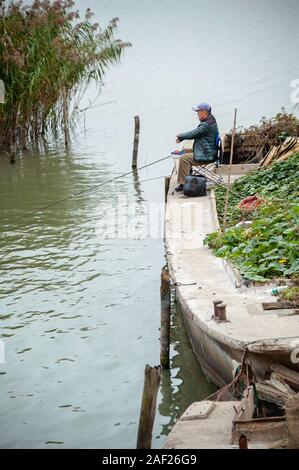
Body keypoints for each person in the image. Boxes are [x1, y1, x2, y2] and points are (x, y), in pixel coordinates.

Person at [175, 102, 219, 191]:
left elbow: (194, 133)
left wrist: (181, 136)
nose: (197, 114)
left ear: (203, 112)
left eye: (198, 112)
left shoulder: (206, 125)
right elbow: (197, 133)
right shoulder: (211, 120)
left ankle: (183, 184)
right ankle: (188, 176)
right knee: (187, 154)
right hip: (209, 151)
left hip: (208, 155)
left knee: (184, 158)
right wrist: (183, 138)